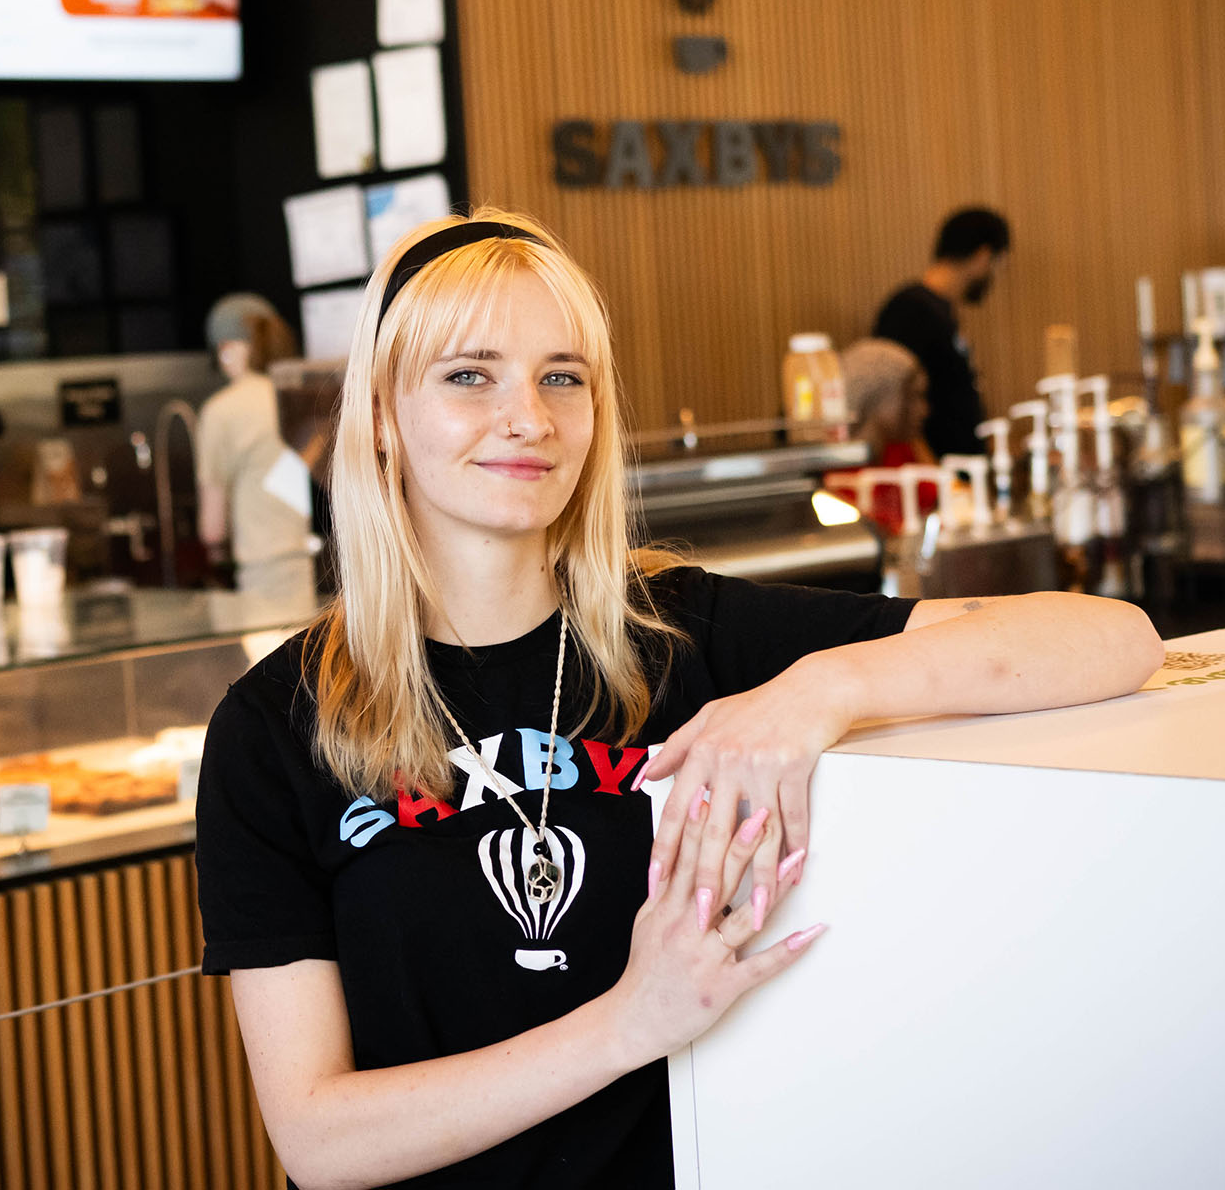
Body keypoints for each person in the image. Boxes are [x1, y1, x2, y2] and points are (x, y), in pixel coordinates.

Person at [194, 208, 1161, 1188]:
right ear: (378, 418)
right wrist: (627, 1023)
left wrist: (820, 687)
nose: (528, 416)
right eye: (468, 375)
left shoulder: (678, 633)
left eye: (561, 376)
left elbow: (1109, 639)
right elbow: (317, 1142)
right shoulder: (273, 728)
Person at [197, 293, 317, 603]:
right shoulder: (297, 397)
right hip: (312, 563)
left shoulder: (221, 410)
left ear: (228, 348)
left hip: (260, 572)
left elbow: (212, 529)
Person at [874, 207, 1010, 458]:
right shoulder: (911, 309)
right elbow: (893, 401)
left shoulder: (940, 311)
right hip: (935, 480)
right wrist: (936, 478)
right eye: (997, 265)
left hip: (959, 473)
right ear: (983, 256)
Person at [837, 337, 937, 534]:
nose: (924, 410)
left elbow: (944, 502)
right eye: (911, 396)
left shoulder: (904, 452)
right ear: (878, 396)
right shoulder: (839, 473)